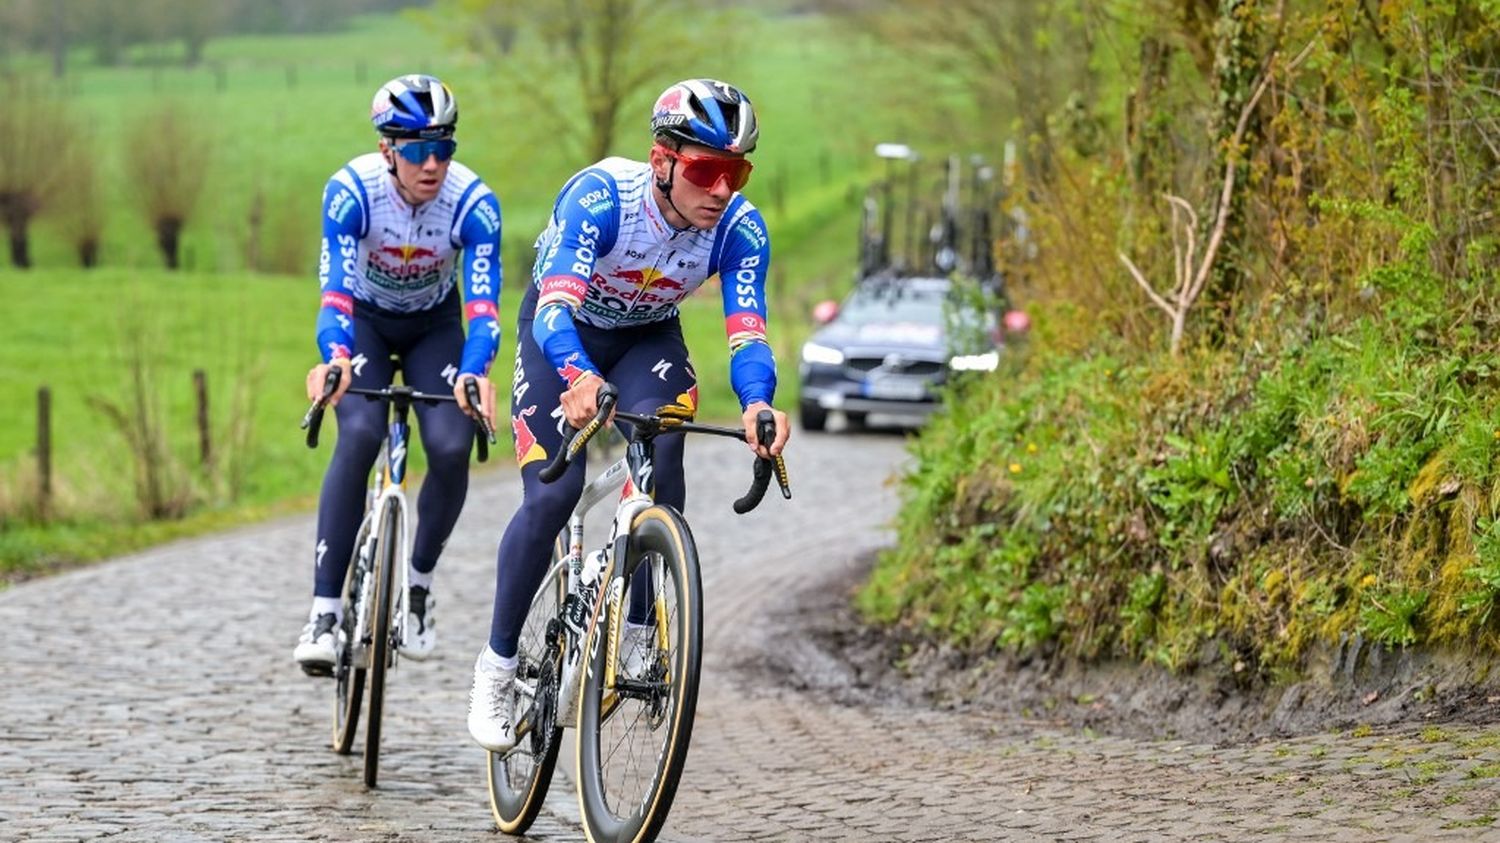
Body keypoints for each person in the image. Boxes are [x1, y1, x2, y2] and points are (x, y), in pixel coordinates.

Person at [466, 78, 790, 750]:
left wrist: (760, 403)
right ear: (662, 160)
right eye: (706, 171)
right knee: (553, 492)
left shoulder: (739, 228)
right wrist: (579, 374)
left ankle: (640, 634)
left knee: (664, 447)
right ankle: (496, 668)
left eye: (736, 172)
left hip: (647, 337)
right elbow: (554, 307)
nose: (723, 189)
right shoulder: (602, 199)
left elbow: (748, 335)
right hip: (563, 332)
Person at [293, 73, 502, 675]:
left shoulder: (474, 204)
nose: (432, 163)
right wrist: (334, 356)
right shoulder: (352, 192)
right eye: (416, 150)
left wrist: (472, 371)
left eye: (444, 148)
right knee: (358, 434)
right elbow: (334, 293)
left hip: (435, 328)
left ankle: (417, 585)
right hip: (365, 324)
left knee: (450, 444)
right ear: (388, 150)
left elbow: (482, 309)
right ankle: (326, 611)